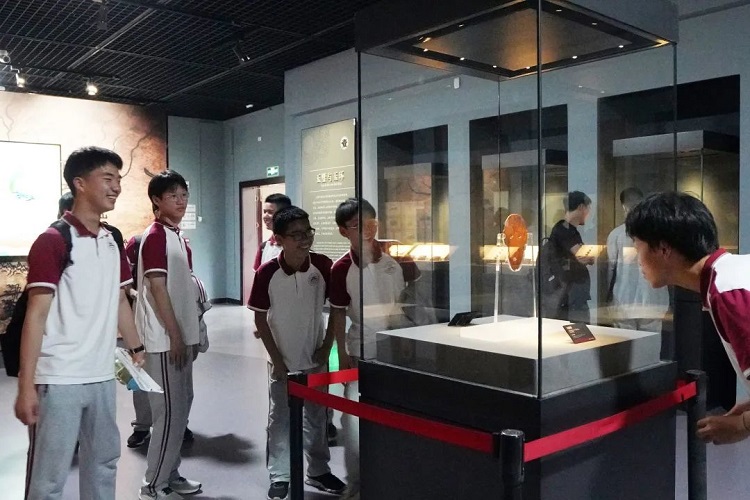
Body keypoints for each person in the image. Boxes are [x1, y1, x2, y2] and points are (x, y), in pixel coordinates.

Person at [14, 146, 146, 499]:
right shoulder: (53, 241)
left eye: (118, 179)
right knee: (49, 476)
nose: (116, 187)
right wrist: (26, 386)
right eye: (108, 178)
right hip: (59, 378)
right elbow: (36, 316)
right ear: (80, 183)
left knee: (104, 463)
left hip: (102, 374)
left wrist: (136, 346)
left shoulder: (111, 240)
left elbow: (119, 299)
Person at [625, 191, 750, 446]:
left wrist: (742, 425)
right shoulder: (731, 276)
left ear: (663, 249)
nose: (638, 261)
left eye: (638, 248)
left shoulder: (728, 291)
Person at [248, 206, 345, 500]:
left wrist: (326, 347)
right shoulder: (267, 272)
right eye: (296, 235)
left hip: (315, 357)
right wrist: (277, 361)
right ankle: (280, 474)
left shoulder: (322, 265)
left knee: (318, 416)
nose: (304, 239)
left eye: (307, 232)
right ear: (279, 239)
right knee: (280, 418)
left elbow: (336, 310)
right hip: (282, 360)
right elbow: (260, 319)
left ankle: (318, 470)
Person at [328, 198, 419, 500]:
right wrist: (342, 354)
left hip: (398, 347)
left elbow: (413, 298)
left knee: (397, 416)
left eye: (370, 223)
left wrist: (409, 339)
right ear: (344, 231)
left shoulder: (397, 257)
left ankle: (397, 478)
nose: (366, 230)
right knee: (353, 421)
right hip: (362, 348)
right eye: (357, 225)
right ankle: (356, 483)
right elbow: (338, 313)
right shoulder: (341, 268)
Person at [133, 170, 201, 500]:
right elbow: (158, 288)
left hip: (180, 337)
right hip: (162, 340)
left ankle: (170, 475)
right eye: (173, 195)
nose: (181, 200)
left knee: (181, 407)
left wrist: (190, 335)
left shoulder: (177, 237)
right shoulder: (156, 236)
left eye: (184, 194)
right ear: (157, 201)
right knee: (168, 413)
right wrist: (174, 335)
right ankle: (153, 485)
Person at [124, 234, 195, 449]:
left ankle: (179, 424)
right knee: (141, 379)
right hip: (145, 322)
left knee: (181, 383)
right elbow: (128, 282)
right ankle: (142, 426)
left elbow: (187, 283)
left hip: (177, 321)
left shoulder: (182, 243)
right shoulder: (141, 241)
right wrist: (136, 294)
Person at [606, 187, 669, 331]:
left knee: (626, 342)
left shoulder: (616, 234)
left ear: (624, 207)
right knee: (650, 342)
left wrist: (608, 297)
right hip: (653, 299)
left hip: (624, 299)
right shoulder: (659, 232)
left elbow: (611, 269)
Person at [548, 190, 594, 323]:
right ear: (581, 207)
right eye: (588, 209)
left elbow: (587, 257)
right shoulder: (564, 229)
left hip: (572, 292)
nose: (588, 213)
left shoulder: (568, 230)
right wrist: (589, 256)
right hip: (570, 293)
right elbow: (583, 256)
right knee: (579, 326)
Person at [252, 193, 292, 272]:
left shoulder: (297, 245)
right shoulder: (263, 247)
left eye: (270, 212)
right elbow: (258, 276)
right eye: (264, 212)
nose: (265, 216)